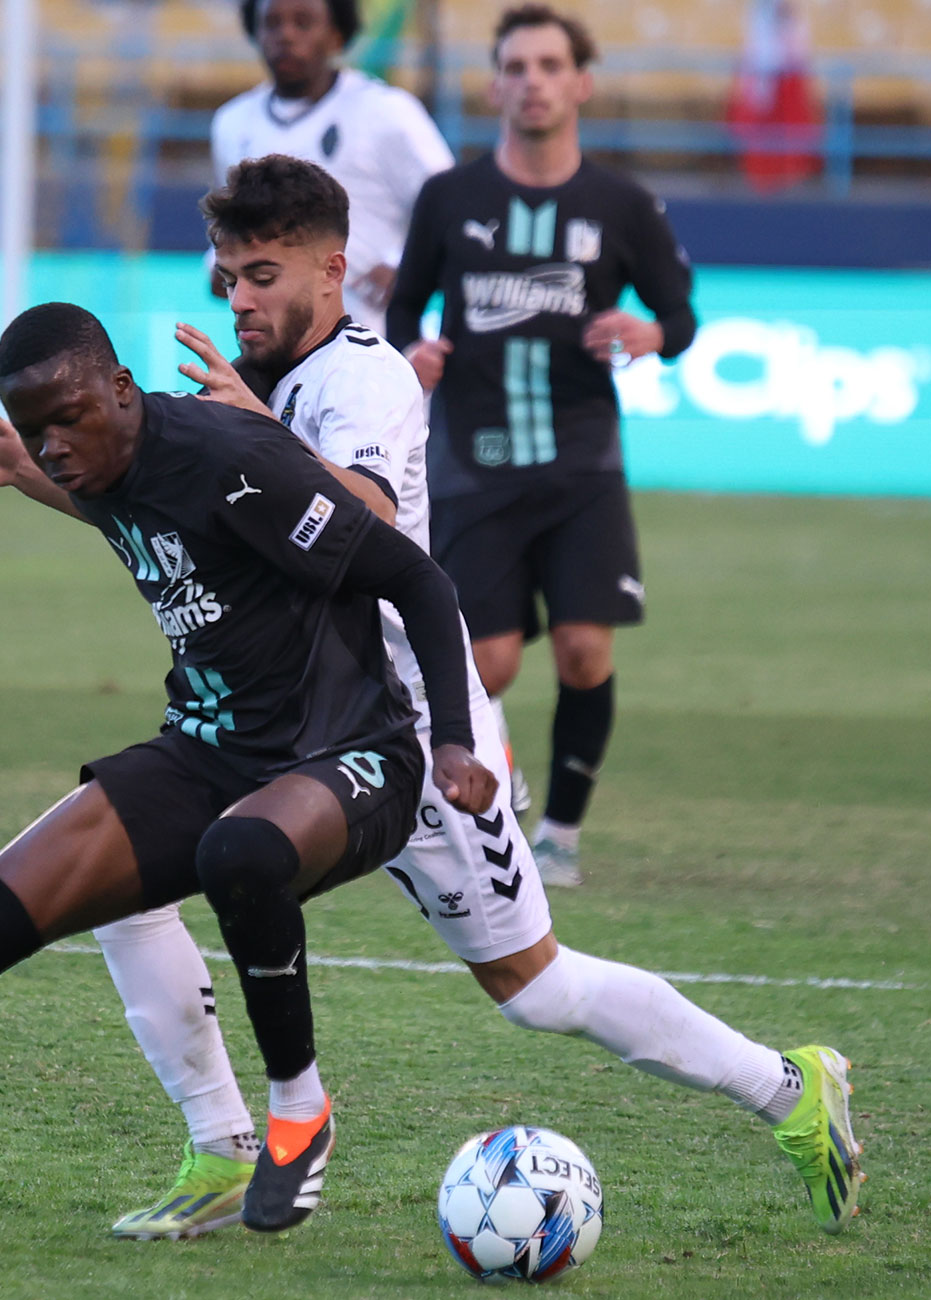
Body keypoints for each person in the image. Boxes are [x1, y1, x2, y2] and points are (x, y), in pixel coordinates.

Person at [93, 154, 864, 1243]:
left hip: (404, 727)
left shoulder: (363, 378)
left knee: (533, 986)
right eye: (226, 277)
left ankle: (790, 1090)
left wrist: (249, 433)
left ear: (333, 267)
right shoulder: (265, 382)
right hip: (290, 720)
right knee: (128, 881)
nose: (239, 298)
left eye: (262, 273)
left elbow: (354, 513)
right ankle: (223, 1148)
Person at [0, 302, 496, 1245]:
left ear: (122, 390)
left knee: (240, 851)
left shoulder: (232, 459)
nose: (56, 445)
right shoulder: (98, 459)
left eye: (68, 419)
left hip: (351, 748)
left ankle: (297, 1110)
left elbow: (418, 580)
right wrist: (20, 470)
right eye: (36, 432)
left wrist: (454, 741)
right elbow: (101, 494)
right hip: (208, 745)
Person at [385, 4, 695, 888]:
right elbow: (405, 306)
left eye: (550, 66)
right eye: (516, 66)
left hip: (581, 462)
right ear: (495, 85)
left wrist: (650, 335)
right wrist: (416, 350)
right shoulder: (451, 198)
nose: (533, 81)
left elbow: (682, 316)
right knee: (488, 661)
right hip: (473, 461)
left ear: (581, 84)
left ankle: (559, 832)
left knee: (585, 651)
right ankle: (501, 778)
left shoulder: (622, 204)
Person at [209, 0, 454, 331]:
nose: (286, 35)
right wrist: (221, 265)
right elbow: (227, 232)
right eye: (272, 23)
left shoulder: (387, 113)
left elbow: (451, 207)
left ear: (337, 34)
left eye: (303, 22)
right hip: (276, 352)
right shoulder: (232, 123)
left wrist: (405, 265)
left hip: (375, 340)